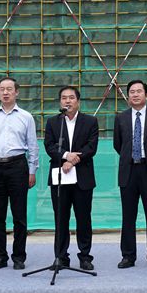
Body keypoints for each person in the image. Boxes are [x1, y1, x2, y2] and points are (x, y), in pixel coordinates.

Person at [0, 77, 39, 270]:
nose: (5, 92)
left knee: (19, 215)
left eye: (9, 89)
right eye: (2, 89)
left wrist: (32, 171)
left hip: (18, 166)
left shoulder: (26, 117)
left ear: (16, 92)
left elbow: (33, 146)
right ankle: (0, 256)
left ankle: (19, 256)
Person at [113, 80, 147, 269]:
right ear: (128, 96)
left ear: (146, 95)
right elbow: (118, 144)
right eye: (132, 92)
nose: (135, 94)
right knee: (128, 216)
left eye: (139, 91)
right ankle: (128, 256)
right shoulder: (120, 118)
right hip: (128, 171)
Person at [44, 86, 99, 270]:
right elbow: (49, 146)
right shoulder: (53, 122)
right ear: (60, 101)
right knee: (61, 219)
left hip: (82, 177)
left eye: (71, 97)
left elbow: (91, 147)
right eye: (64, 98)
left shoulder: (90, 121)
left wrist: (73, 160)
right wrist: (66, 156)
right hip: (60, 178)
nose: (67, 101)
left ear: (78, 101)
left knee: (83, 219)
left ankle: (85, 257)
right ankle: (61, 256)